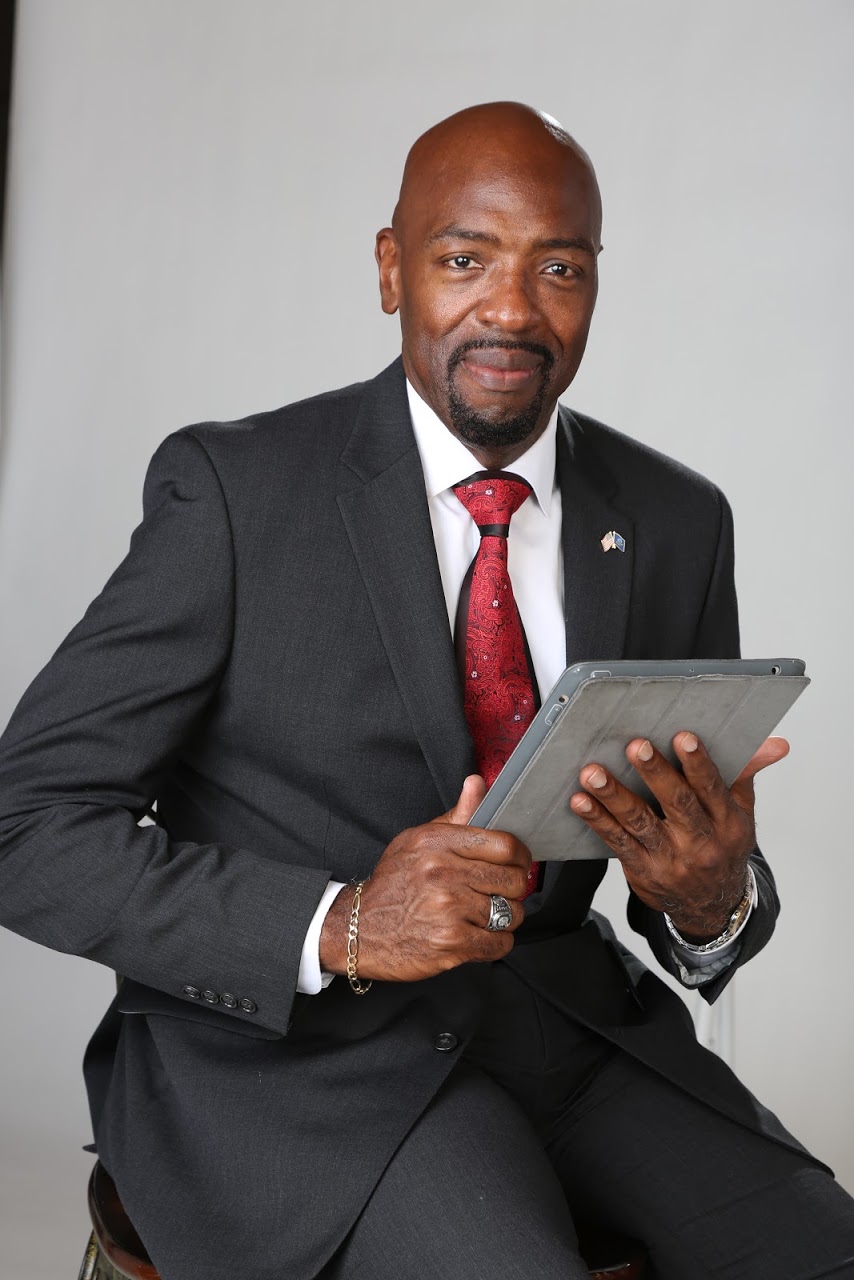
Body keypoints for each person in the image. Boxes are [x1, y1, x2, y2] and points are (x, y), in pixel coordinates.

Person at [0, 102, 852, 1280]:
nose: (511, 309)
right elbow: (25, 826)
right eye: (463, 260)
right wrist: (341, 921)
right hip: (293, 1060)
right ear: (391, 269)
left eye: (557, 266)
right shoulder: (235, 492)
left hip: (567, 1032)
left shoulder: (674, 518)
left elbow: (688, 881)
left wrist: (710, 901)